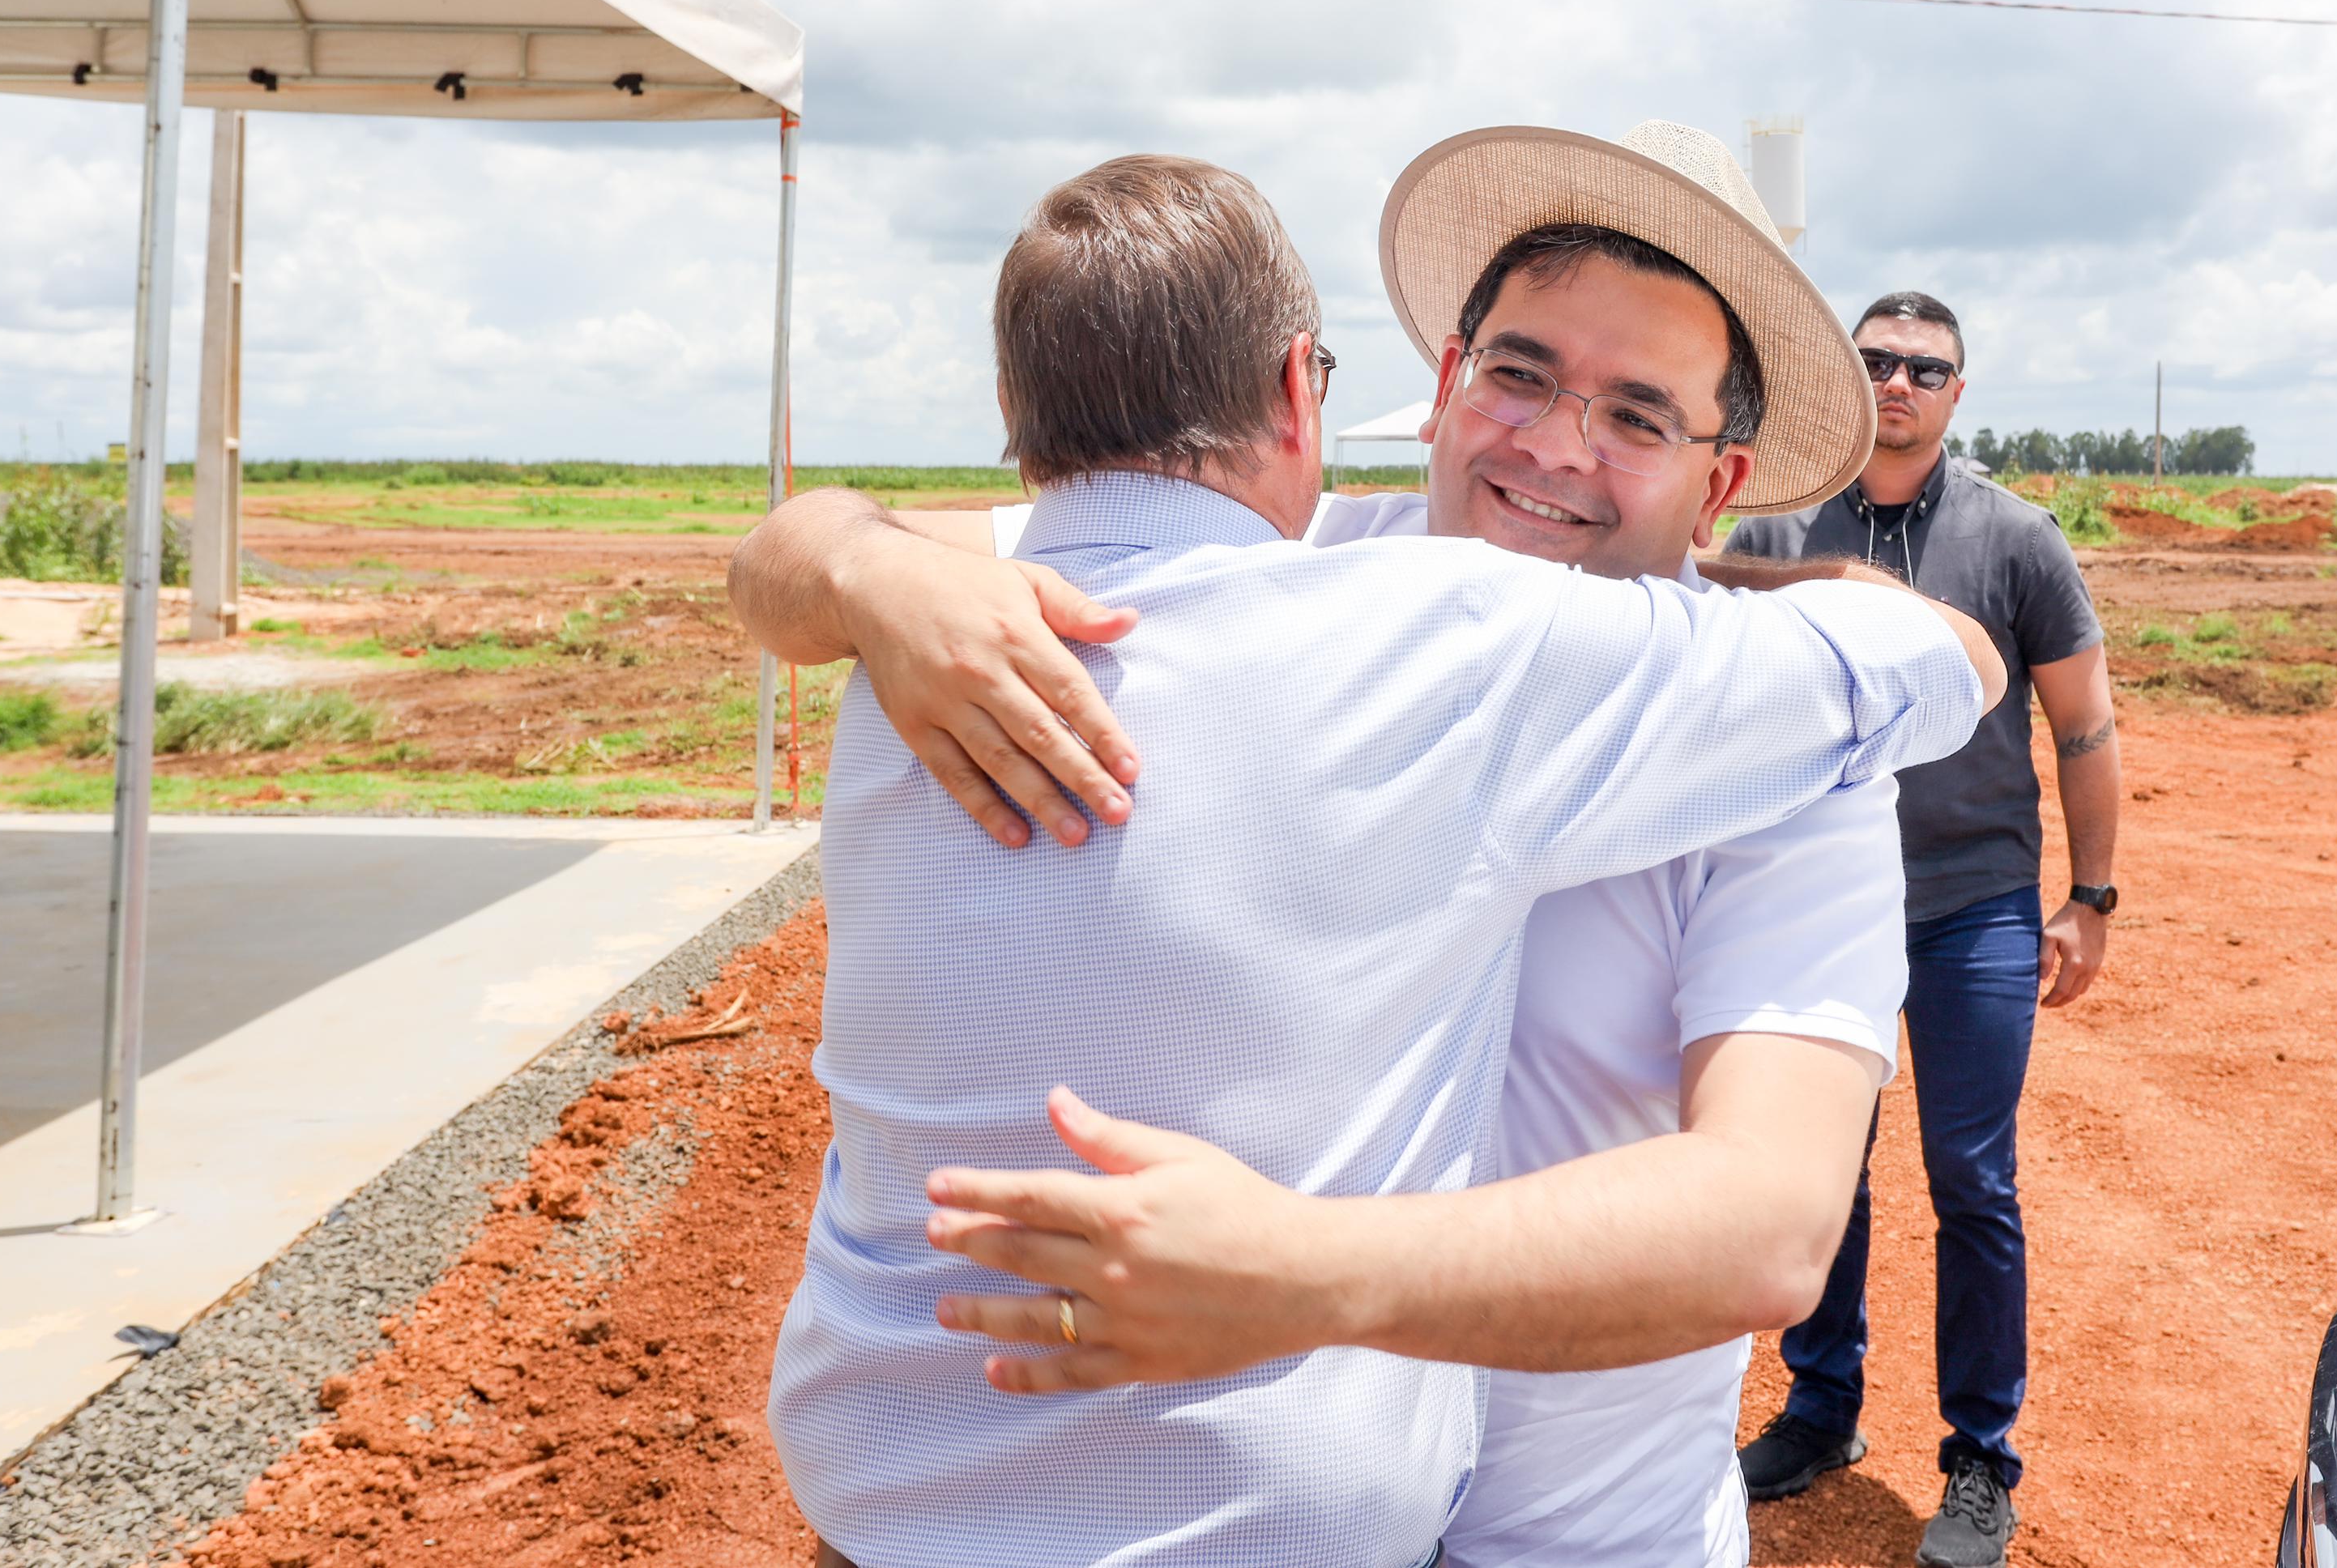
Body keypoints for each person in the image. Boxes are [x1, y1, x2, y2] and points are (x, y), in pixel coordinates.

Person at [736, 123, 1985, 1566]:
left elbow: (1767, 1223)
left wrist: (1299, 1275)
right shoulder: (1291, 555)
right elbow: (807, 551)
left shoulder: (1795, 757)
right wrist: (862, 564)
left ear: (1721, 483)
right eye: (1522, 374)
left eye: (1640, 417)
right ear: (1446, 385)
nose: (1559, 444)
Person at [1717, 288, 2123, 1568]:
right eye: (1875, 362)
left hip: (1974, 911)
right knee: (1824, 1168)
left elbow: (2086, 728)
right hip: (1820, 902)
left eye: (1923, 368)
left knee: (1972, 1179)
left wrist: (2091, 896)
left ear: (1958, 391)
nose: (1896, 381)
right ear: (1845, 380)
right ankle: (1821, 1408)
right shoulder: (1781, 526)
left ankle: (1980, 1456)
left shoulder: (2016, 540)